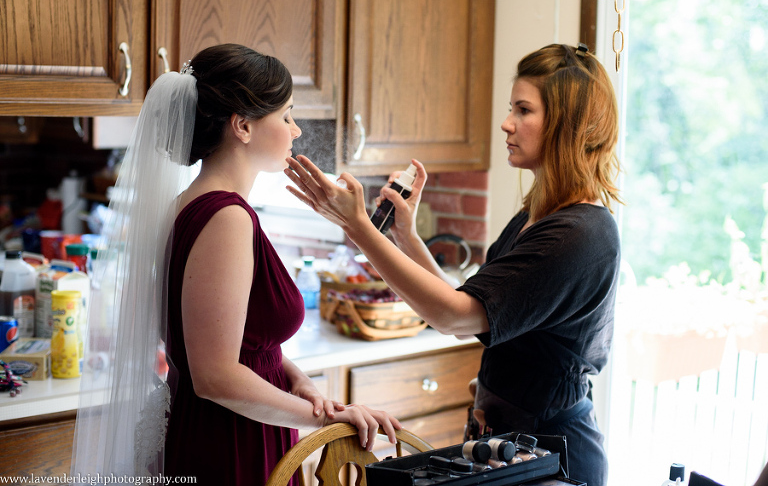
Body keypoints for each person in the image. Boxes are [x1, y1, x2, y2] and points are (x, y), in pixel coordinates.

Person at [284, 43, 621, 486]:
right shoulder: (541, 214)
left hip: (553, 455)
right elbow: (468, 310)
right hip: (511, 443)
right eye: (511, 108)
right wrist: (406, 237)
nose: (506, 123)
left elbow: (451, 316)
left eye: (523, 110)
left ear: (566, 126)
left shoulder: (578, 235)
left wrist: (360, 227)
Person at [70, 44, 400, 486]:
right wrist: (326, 422)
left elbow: (245, 342)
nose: (296, 130)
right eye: (285, 116)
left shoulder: (193, 205)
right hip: (231, 442)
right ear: (242, 126)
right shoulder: (227, 218)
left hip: (240, 425)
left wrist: (298, 379)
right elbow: (215, 376)